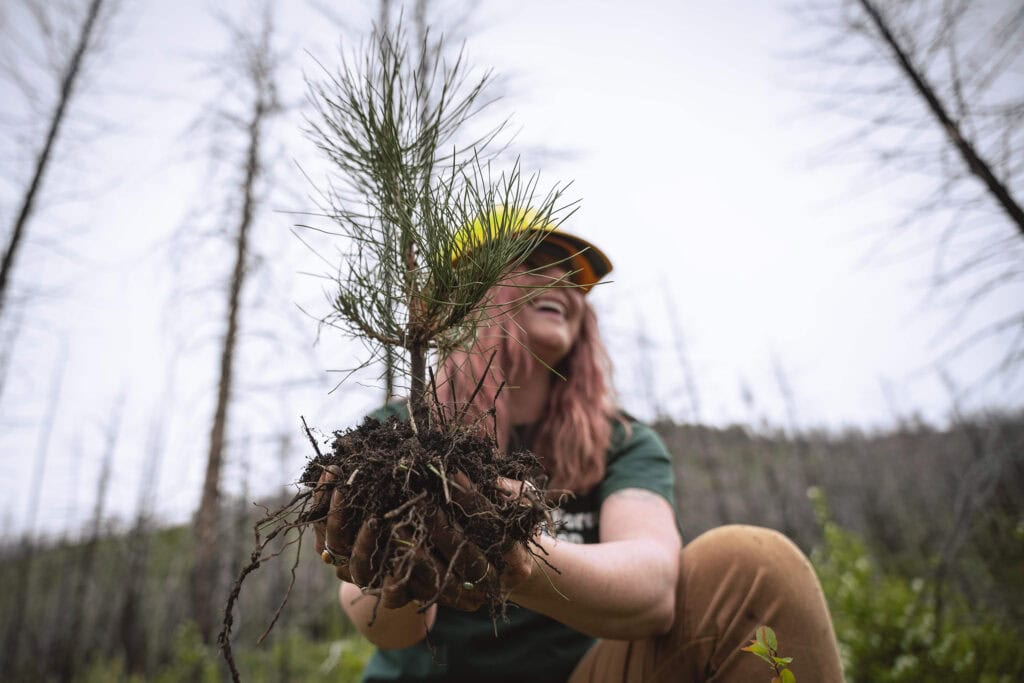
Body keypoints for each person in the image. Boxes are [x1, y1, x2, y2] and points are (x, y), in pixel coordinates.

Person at [313, 213, 845, 682]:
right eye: (531, 263)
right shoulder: (400, 431)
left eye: (572, 276)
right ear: (466, 297)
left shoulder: (621, 443)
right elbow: (390, 632)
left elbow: (655, 591)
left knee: (756, 566)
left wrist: (516, 553)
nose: (562, 282)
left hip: (585, 676)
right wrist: (386, 565)